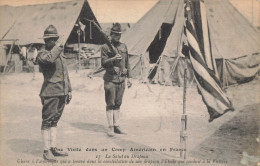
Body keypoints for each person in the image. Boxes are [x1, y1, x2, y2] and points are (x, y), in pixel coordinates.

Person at [37, 25, 72, 161]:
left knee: (54, 121)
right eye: (53, 39)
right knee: (47, 121)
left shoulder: (58, 52)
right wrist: (58, 47)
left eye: (56, 39)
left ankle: (53, 147)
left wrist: (69, 89)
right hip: (50, 92)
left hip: (62, 91)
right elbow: (50, 59)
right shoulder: (42, 54)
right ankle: (46, 151)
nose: (56, 41)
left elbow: (65, 72)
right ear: (47, 40)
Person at [101, 23, 132, 137]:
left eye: (119, 35)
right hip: (110, 80)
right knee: (110, 103)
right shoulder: (105, 47)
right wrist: (113, 58)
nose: (117, 37)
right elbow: (103, 63)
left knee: (118, 104)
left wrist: (129, 78)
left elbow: (128, 62)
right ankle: (110, 127)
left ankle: (117, 125)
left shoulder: (123, 46)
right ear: (111, 35)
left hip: (121, 80)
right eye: (115, 35)